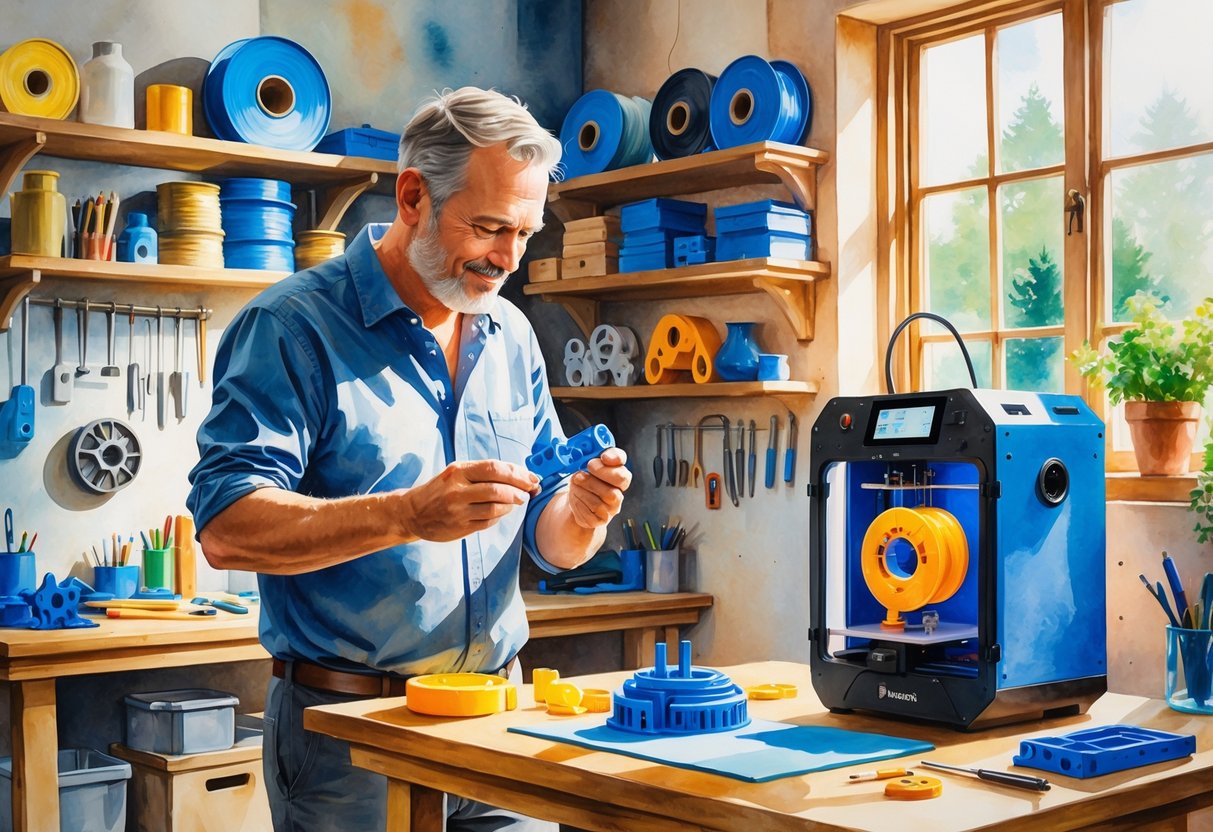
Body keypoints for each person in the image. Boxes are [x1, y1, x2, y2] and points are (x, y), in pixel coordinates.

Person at [187, 86, 632, 832]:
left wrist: (581, 514)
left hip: (496, 722)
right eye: (489, 227)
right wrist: (405, 516)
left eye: (525, 234)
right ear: (412, 195)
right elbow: (227, 528)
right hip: (349, 739)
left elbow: (549, 545)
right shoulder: (292, 328)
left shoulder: (509, 334)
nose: (507, 261)